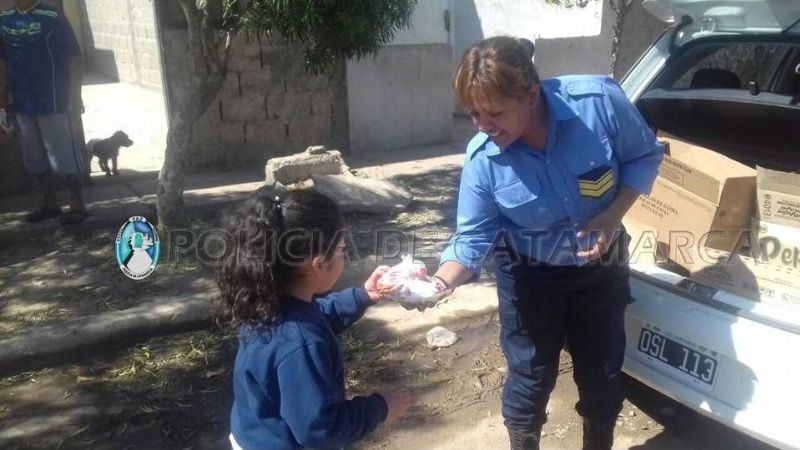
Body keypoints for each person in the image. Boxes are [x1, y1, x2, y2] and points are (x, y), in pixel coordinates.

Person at [431, 37, 664, 450]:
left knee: (602, 371)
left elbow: (643, 156)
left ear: (531, 95)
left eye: (495, 113)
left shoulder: (598, 104)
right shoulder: (483, 159)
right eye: (473, 114)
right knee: (530, 375)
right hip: (530, 273)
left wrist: (612, 216)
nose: (484, 125)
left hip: (601, 267)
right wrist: (439, 283)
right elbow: (472, 238)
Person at [214, 189, 412, 450]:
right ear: (317, 264)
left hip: (254, 435)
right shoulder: (301, 344)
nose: (344, 255)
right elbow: (321, 428)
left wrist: (365, 295)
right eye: (341, 248)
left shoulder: (263, 303)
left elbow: (320, 314)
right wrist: (381, 407)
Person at [0, 0, 86, 224]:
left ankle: (77, 203)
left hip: (55, 101)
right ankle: (50, 203)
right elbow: (4, 63)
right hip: (23, 103)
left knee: (64, 156)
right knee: (35, 158)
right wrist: (3, 99)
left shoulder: (52, 17)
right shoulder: (5, 20)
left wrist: (75, 99)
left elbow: (74, 61)